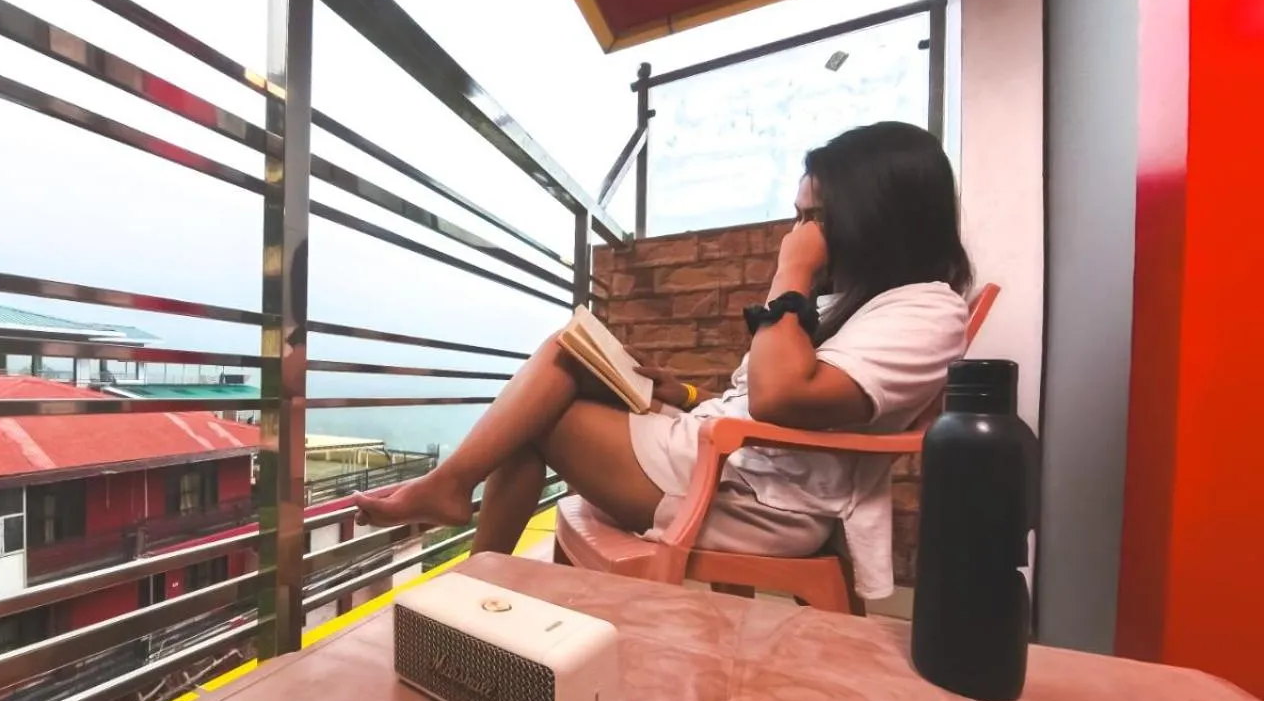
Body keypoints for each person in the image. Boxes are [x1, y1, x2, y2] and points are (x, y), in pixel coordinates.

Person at [354, 121, 973, 599]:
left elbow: (783, 396)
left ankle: (463, 532)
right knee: (568, 358)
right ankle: (469, 549)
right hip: (728, 460)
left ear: (872, 219)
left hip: (750, 502)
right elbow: (777, 400)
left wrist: (792, 273)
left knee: (544, 401)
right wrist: (686, 396)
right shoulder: (867, 304)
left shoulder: (926, 312)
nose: (797, 233)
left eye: (811, 217)